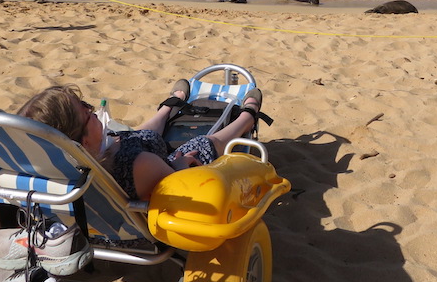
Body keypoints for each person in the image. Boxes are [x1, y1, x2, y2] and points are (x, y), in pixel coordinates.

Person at [16, 82, 265, 202]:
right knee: (203, 143)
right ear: (82, 139)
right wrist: (180, 166)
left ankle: (169, 107)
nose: (91, 110)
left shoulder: (53, 168)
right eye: (87, 112)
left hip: (97, 214)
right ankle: (246, 117)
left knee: (135, 135)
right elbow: (177, 181)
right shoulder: (139, 164)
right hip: (147, 200)